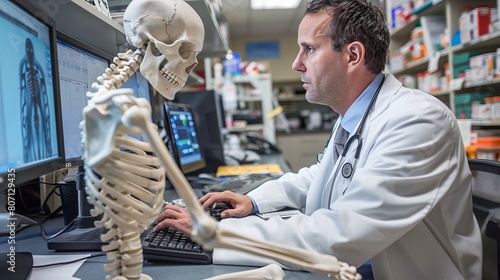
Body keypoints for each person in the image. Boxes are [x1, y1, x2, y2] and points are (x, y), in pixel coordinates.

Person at [155, 0, 483, 279]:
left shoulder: (417, 121)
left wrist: (214, 232)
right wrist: (254, 201)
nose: (297, 64)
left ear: (353, 55)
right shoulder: (357, 114)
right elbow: (319, 175)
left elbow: (338, 236)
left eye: (308, 50)